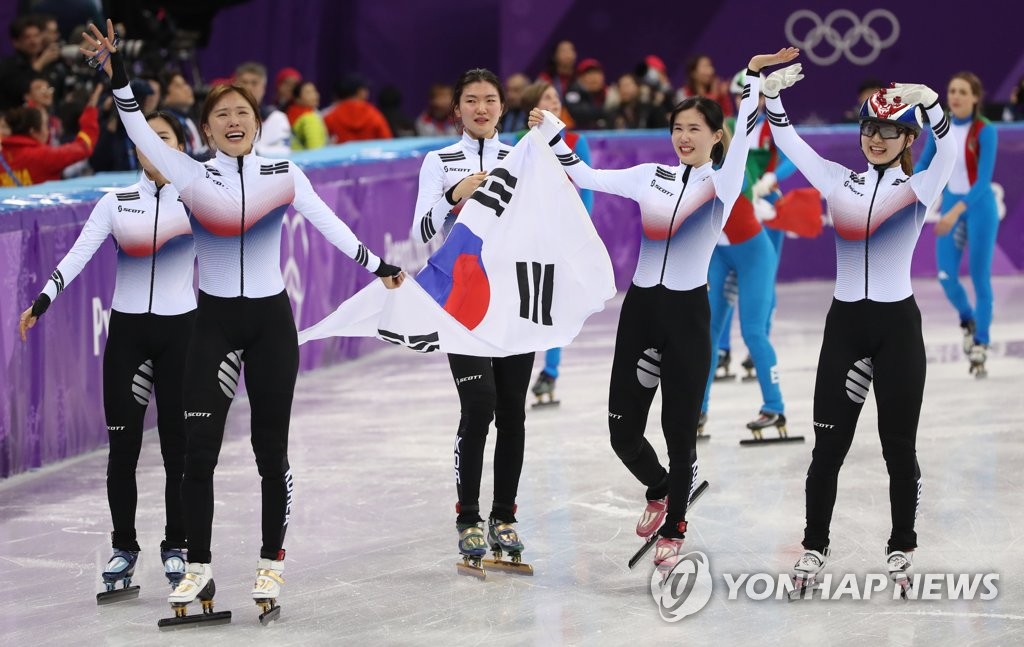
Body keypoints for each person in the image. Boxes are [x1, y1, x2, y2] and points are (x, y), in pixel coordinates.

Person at [85, 19, 404, 618]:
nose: (234, 122)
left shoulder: (284, 174)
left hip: (268, 326)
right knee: (199, 450)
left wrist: (376, 262)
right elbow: (136, 129)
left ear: (258, 123)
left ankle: (270, 561)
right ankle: (198, 569)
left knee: (269, 450)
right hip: (214, 326)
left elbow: (328, 224)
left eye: (243, 113)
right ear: (205, 130)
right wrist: (119, 74)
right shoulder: (187, 174)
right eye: (222, 115)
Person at [531, 48, 798, 573]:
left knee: (679, 431)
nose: (685, 136)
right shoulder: (648, 176)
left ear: (715, 136)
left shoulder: (721, 184)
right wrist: (553, 134)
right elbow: (585, 176)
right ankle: (659, 489)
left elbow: (745, 128)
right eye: (678, 127)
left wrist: (753, 78)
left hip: (685, 315)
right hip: (640, 311)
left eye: (697, 128)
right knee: (621, 431)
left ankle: (676, 523)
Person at [761, 65, 955, 593]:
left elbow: (952, 148)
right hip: (845, 326)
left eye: (887, 131)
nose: (874, 139)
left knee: (899, 448)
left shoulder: (918, 188)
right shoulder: (837, 180)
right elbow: (790, 141)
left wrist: (932, 102)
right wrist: (772, 98)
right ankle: (814, 546)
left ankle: (901, 547)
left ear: (908, 138)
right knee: (829, 449)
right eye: (868, 129)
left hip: (897, 329)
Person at [18, 111, 196, 596]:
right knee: (123, 450)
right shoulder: (116, 202)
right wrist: (43, 299)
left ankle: (177, 546)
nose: (154, 145)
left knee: (179, 450)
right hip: (129, 338)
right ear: (135, 147)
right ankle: (124, 548)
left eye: (164, 137)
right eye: (146, 138)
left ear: (181, 146)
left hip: (183, 335)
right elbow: (77, 254)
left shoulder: (198, 200)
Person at [410, 67, 534, 573]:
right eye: (471, 100)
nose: (480, 108)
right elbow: (421, 231)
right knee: (478, 405)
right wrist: (454, 194)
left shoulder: (524, 158)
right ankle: (468, 517)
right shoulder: (437, 161)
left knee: (513, 412)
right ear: (456, 108)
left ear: (502, 108)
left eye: (489, 100)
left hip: (514, 304)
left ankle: (504, 515)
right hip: (463, 306)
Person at [915, 72, 999, 377]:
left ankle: (981, 341)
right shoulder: (941, 126)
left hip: (979, 207)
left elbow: (983, 181)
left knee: (980, 278)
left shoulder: (985, 131)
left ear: (975, 97)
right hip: (951, 204)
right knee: (945, 275)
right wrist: (908, 187)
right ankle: (968, 319)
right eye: (952, 91)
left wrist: (953, 213)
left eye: (963, 92)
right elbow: (924, 163)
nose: (956, 96)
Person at [516, 80, 593, 404]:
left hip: (563, 229)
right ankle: (522, 366)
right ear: (534, 106)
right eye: (547, 98)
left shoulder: (576, 140)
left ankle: (550, 371)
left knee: (552, 300)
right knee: (529, 300)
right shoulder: (523, 142)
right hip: (532, 230)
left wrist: (581, 228)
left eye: (557, 98)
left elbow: (585, 186)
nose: (555, 102)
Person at [1, 82, 100, 186]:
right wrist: (90, 112)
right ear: (33, 131)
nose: (47, 131)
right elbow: (84, 146)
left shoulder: (2, 156)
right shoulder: (44, 156)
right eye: (45, 126)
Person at [234, 61, 292, 157]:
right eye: (244, 82)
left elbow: (284, 150)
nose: (248, 87)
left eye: (254, 83)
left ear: (263, 88)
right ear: (236, 86)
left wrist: (250, 151)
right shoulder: (223, 117)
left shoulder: (276, 118)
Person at [323, 75, 393, 144]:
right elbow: (387, 141)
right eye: (365, 89)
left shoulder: (329, 117)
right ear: (360, 92)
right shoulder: (374, 114)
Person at [159, 70, 207, 159]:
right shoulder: (167, 123)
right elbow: (180, 160)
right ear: (165, 97)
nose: (187, 88)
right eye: (178, 86)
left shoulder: (188, 119)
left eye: (185, 83)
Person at [675, 54, 732, 118]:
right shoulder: (682, 94)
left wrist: (722, 96)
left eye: (710, 66)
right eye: (705, 66)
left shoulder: (719, 92)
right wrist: (714, 96)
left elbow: (728, 118)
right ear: (693, 73)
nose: (711, 70)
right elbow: (698, 118)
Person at [288, 80, 328, 150]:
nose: (314, 95)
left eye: (314, 91)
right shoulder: (309, 118)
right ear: (297, 99)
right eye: (308, 92)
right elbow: (316, 149)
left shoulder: (314, 113)